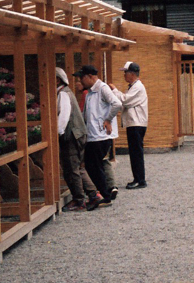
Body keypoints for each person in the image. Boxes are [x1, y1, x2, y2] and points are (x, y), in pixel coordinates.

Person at [73, 65, 122, 211]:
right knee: (93, 165)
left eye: (82, 77)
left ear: (90, 76)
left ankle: (105, 195)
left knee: (94, 165)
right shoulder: (90, 92)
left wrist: (107, 120)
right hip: (93, 134)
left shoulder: (102, 88)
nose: (80, 81)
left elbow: (117, 103)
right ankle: (104, 192)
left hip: (100, 135)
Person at [56, 66, 98, 210]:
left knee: (71, 168)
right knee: (78, 167)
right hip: (77, 134)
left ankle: (79, 200)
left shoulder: (63, 94)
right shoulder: (65, 93)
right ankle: (93, 194)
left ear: (56, 80)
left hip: (72, 135)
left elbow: (63, 117)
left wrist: (58, 133)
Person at [109, 61, 149, 189]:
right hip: (134, 123)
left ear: (132, 73)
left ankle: (140, 179)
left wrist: (114, 90)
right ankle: (138, 178)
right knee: (135, 152)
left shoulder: (138, 87)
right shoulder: (133, 87)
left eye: (125, 72)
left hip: (136, 124)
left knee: (136, 152)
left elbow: (125, 100)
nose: (124, 75)